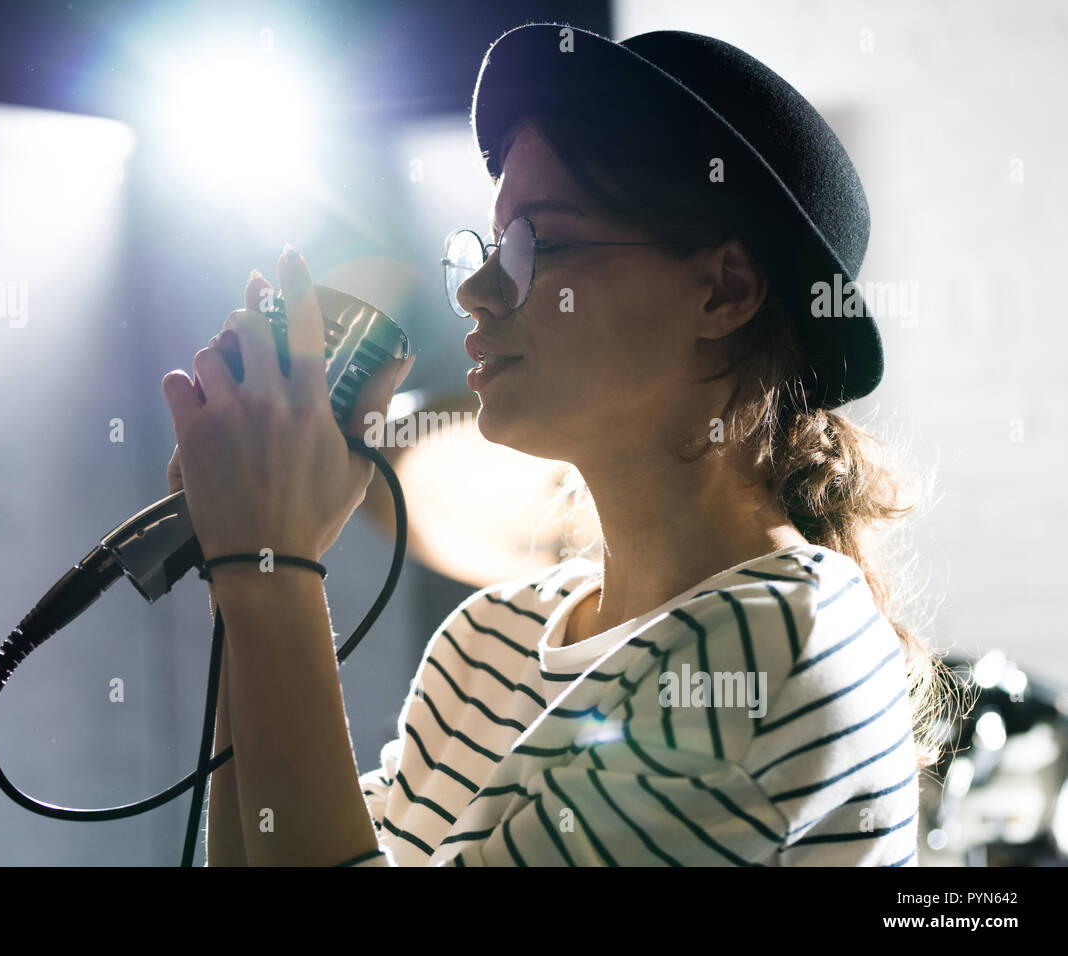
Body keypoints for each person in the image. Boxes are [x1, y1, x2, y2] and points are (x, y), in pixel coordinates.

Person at [161, 24, 952, 866]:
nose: (474, 291)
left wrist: (267, 564)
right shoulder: (487, 641)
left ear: (723, 292)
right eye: (491, 245)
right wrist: (239, 568)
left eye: (538, 242)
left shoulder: (777, 647)